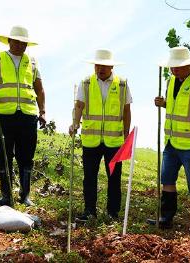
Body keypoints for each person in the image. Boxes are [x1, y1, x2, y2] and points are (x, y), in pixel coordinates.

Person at [152, 46, 190, 234]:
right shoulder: (171, 81)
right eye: (172, 66)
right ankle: (166, 218)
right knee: (167, 180)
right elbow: (177, 107)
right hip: (171, 142)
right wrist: (163, 104)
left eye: (178, 66)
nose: (174, 70)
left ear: (188, 64)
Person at [0, 25, 46, 207]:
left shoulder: (32, 62)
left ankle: (24, 196)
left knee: (26, 157)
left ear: (26, 44)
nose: (19, 45)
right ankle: (6, 195)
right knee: (3, 155)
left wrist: (42, 112)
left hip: (27, 116)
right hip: (4, 115)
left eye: (22, 42)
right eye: (15, 41)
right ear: (9, 41)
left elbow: (39, 89)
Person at [69, 49, 132, 221]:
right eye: (97, 65)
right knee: (89, 176)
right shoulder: (86, 83)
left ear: (111, 66)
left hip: (114, 141)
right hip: (91, 140)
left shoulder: (122, 84)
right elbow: (79, 105)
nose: (100, 69)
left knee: (114, 178)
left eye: (104, 66)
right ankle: (89, 211)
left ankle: (112, 212)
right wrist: (75, 123)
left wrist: (126, 133)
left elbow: (126, 110)